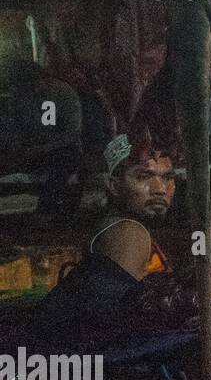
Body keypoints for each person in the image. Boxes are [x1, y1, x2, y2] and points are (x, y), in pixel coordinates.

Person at [32, 131, 176, 341]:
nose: (160, 189)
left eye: (168, 178)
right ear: (114, 186)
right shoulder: (129, 232)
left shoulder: (116, 227)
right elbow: (121, 321)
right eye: (144, 177)